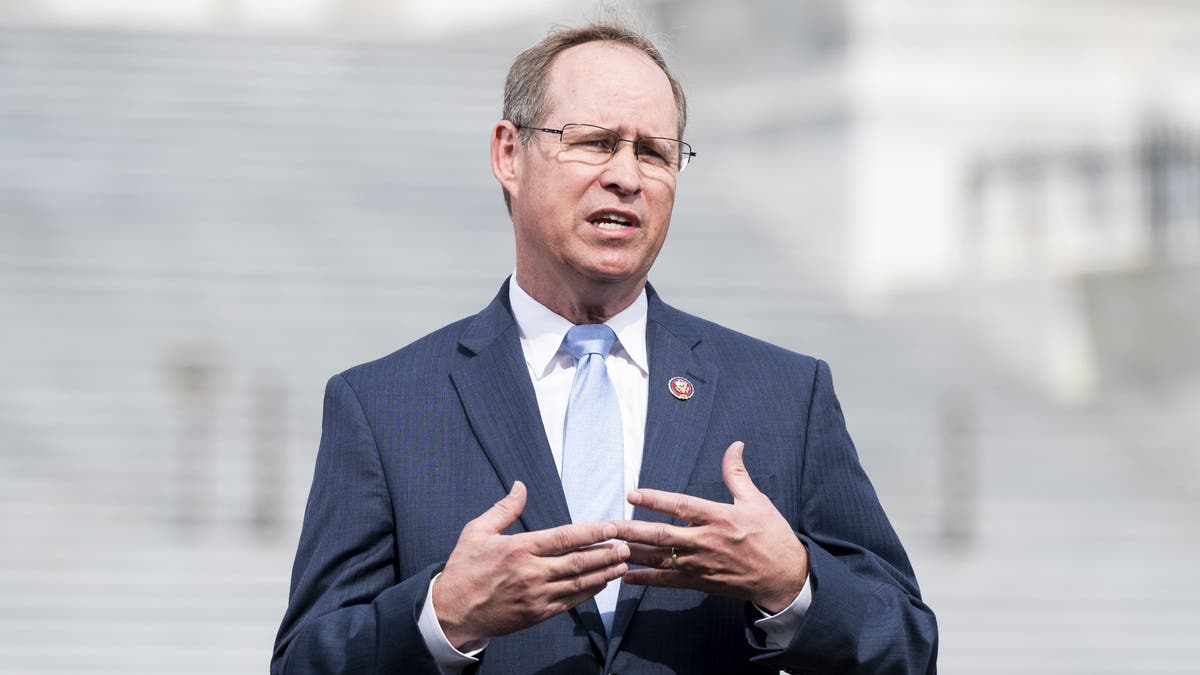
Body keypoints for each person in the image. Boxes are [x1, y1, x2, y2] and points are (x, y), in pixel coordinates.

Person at [272, 20, 937, 675]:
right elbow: (304, 661)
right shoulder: (384, 405)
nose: (627, 175)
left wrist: (793, 582)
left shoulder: (785, 397)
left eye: (654, 152)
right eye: (594, 142)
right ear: (509, 154)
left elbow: (906, 646)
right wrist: (444, 615)